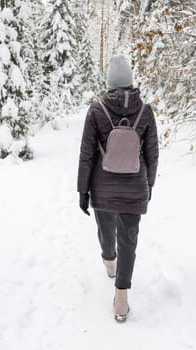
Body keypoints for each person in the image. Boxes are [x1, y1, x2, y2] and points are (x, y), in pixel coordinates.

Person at [77, 55, 159, 322]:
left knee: (106, 230)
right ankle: (121, 299)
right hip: (135, 187)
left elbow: (87, 154)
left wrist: (83, 190)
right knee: (128, 241)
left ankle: (108, 261)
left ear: (110, 83)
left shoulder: (96, 110)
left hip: (102, 187)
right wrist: (148, 185)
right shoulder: (146, 111)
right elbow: (152, 155)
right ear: (131, 81)